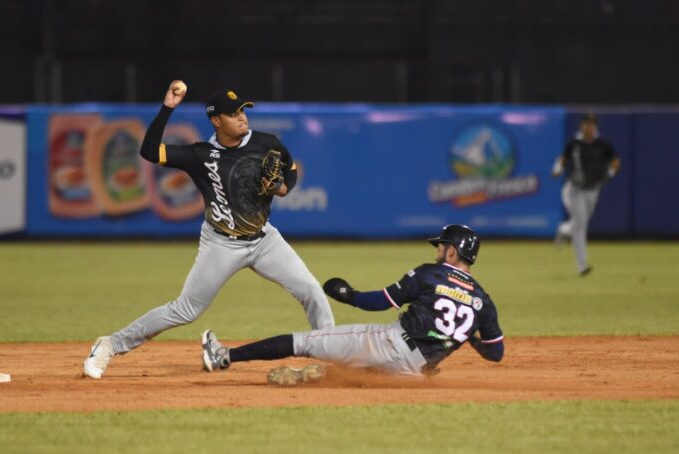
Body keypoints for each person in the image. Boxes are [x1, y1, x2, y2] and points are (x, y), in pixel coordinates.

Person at [83, 80, 335, 379]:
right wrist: (167, 108)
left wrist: (282, 188)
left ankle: (332, 356)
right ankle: (110, 344)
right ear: (216, 121)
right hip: (222, 244)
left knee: (311, 291)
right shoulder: (200, 155)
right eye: (233, 113)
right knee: (184, 311)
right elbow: (150, 152)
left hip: (265, 240)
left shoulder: (266, 142)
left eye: (244, 110)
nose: (242, 116)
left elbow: (290, 170)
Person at [200, 225, 504, 386]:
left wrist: (349, 295)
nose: (438, 251)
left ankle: (223, 356)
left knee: (305, 342)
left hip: (388, 345)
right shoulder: (482, 301)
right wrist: (470, 336)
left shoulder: (431, 273)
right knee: (355, 378)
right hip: (415, 372)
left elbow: (380, 302)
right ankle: (305, 377)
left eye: (440, 246)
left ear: (451, 252)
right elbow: (496, 354)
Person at [552, 112, 620, 276]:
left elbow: (615, 160)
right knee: (581, 225)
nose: (588, 127)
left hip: (593, 190)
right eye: (585, 123)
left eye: (591, 124)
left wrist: (610, 172)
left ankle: (564, 229)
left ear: (595, 126)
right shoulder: (575, 143)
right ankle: (582, 265)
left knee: (579, 223)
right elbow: (563, 158)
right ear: (581, 125)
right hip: (574, 189)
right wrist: (557, 169)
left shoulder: (602, 144)